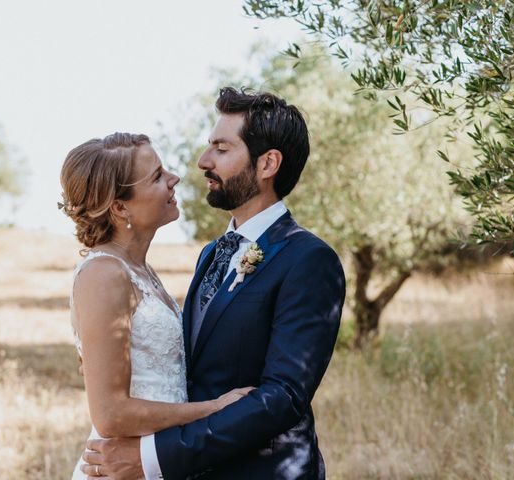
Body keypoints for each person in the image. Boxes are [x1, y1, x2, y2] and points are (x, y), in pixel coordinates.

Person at [81, 88, 346, 480]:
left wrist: (154, 457)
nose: (203, 161)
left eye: (221, 149)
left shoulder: (308, 259)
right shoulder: (211, 254)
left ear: (268, 163)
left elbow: (284, 398)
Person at [60, 133, 253, 480]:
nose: (174, 178)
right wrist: (212, 410)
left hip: (159, 461)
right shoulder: (104, 274)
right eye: (157, 176)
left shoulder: (140, 271)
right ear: (120, 207)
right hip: (123, 467)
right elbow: (110, 414)